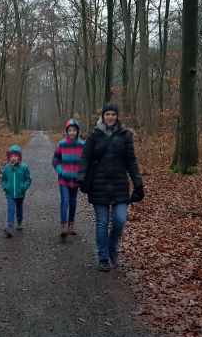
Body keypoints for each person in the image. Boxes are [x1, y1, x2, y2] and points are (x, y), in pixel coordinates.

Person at [78, 104, 144, 271]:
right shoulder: (95, 135)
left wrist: (138, 184)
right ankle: (103, 257)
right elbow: (85, 158)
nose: (111, 117)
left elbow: (131, 161)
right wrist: (82, 178)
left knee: (120, 220)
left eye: (113, 114)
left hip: (120, 185)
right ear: (103, 115)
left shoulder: (125, 135)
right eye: (108, 114)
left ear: (117, 116)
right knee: (102, 222)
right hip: (98, 185)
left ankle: (112, 247)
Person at [52, 118, 84, 238]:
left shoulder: (82, 145)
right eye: (70, 130)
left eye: (74, 130)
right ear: (67, 131)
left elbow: (86, 162)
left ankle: (71, 225)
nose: (72, 132)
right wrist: (61, 171)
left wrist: (81, 174)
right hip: (64, 179)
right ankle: (63, 225)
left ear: (77, 131)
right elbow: (55, 161)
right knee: (65, 201)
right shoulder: (61, 144)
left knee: (73, 202)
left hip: (76, 180)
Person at [1, 145, 32, 237]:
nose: (13, 158)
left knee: (19, 209)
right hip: (9, 193)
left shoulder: (24, 167)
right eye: (11, 156)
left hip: (20, 193)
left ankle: (19, 221)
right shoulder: (6, 168)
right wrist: (5, 187)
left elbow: (28, 179)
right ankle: (10, 227)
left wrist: (23, 187)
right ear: (9, 157)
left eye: (16, 155)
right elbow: (3, 179)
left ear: (20, 157)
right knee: (11, 210)